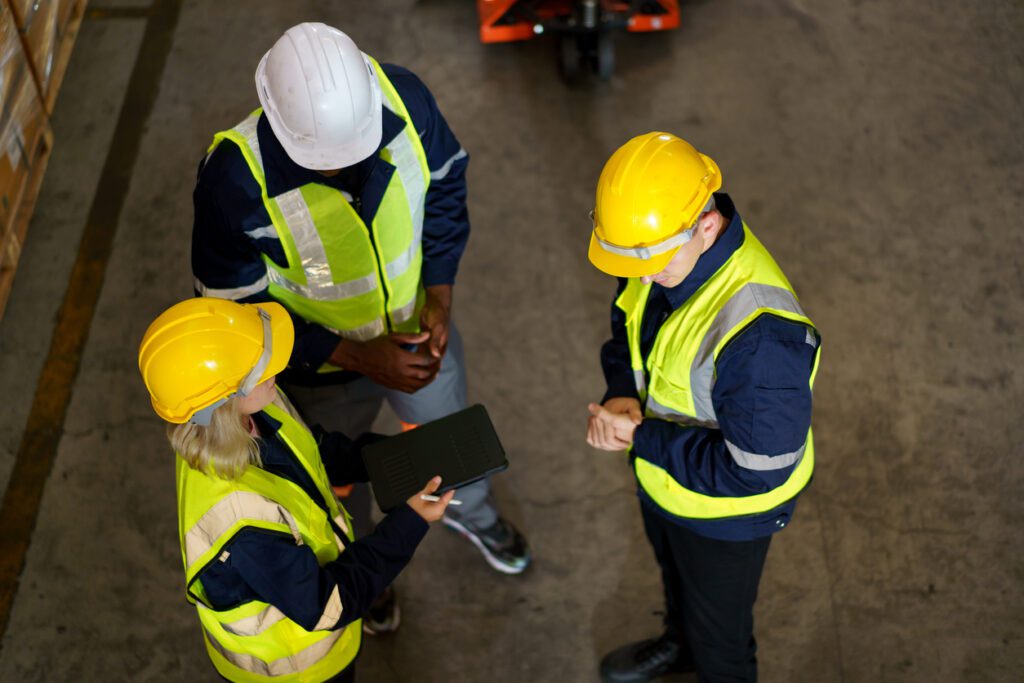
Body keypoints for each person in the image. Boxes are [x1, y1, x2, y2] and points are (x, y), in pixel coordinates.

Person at [189, 21, 530, 590]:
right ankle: (363, 569)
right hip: (316, 372)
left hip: (418, 335)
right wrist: (354, 355)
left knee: (449, 444)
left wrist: (439, 291)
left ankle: (471, 513)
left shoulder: (405, 101)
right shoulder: (234, 181)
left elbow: (446, 185)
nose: (341, 163)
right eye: (323, 157)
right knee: (335, 482)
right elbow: (235, 313)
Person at [585, 132, 821, 683]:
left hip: (727, 514)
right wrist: (621, 391)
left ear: (708, 226)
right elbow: (629, 322)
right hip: (664, 478)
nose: (642, 275)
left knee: (723, 643)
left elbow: (752, 472)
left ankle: (703, 655)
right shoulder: (654, 248)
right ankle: (680, 645)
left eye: (651, 263)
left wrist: (640, 437)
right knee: (676, 581)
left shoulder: (763, 339)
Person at [137, 297, 454, 682]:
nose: (277, 364)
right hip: (299, 670)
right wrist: (410, 522)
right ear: (224, 397)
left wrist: (399, 457)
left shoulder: (249, 409)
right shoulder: (240, 520)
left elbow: (313, 450)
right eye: (260, 366)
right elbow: (327, 604)